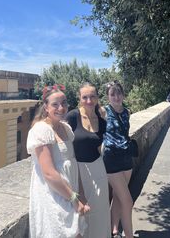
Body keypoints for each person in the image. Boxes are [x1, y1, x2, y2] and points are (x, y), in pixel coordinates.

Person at [27, 85, 90, 238]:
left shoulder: (66, 129)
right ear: (46, 107)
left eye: (64, 103)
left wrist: (81, 194)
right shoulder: (42, 130)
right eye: (55, 104)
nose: (61, 108)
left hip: (71, 193)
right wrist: (74, 199)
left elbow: (73, 164)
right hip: (54, 197)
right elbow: (49, 173)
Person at [66, 82, 111, 238]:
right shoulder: (72, 116)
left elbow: (102, 147)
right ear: (80, 98)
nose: (89, 101)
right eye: (85, 97)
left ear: (97, 98)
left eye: (92, 96)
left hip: (98, 170)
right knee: (81, 216)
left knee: (100, 213)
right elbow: (60, 139)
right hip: (78, 171)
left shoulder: (102, 121)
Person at [102, 81, 134, 238]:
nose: (116, 97)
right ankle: (129, 235)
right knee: (127, 202)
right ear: (108, 97)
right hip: (111, 160)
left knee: (117, 196)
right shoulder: (103, 112)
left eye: (119, 93)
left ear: (123, 94)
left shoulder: (126, 111)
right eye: (112, 94)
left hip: (127, 159)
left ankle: (113, 230)